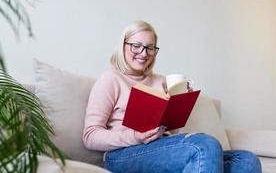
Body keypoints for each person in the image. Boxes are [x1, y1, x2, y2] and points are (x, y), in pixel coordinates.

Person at [83, 20, 262, 173]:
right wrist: (135, 136)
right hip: (123, 154)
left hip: (162, 147)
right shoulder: (111, 79)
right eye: (136, 46)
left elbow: (170, 130)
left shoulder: (161, 80)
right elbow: (90, 136)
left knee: (247, 160)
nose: (143, 53)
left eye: (150, 48)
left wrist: (180, 104)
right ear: (123, 45)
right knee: (205, 145)